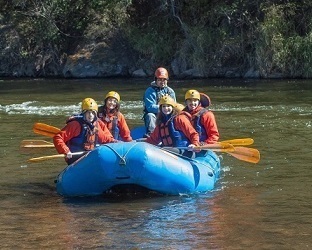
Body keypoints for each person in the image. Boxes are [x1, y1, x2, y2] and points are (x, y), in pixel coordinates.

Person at [53, 98, 116, 165]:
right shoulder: (75, 124)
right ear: (84, 113)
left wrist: (117, 142)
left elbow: (105, 139)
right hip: (75, 158)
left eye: (93, 113)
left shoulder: (96, 125)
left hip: (89, 157)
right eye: (88, 112)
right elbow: (58, 137)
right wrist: (66, 151)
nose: (91, 115)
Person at [143, 67, 176, 137]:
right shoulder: (150, 91)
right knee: (150, 115)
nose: (162, 81)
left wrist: (168, 110)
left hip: (168, 114)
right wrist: (163, 108)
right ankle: (151, 135)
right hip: (155, 115)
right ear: (156, 80)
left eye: (164, 79)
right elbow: (150, 108)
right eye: (160, 79)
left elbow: (175, 106)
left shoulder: (170, 91)